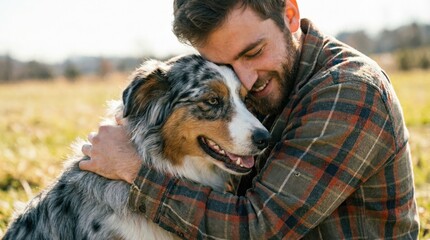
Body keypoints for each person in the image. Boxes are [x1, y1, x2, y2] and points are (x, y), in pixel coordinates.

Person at [80, 0, 420, 239]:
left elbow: (258, 229)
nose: (244, 78)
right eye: (225, 65)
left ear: (289, 14)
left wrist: (133, 172)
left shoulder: (350, 92)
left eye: (253, 52)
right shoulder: (264, 83)